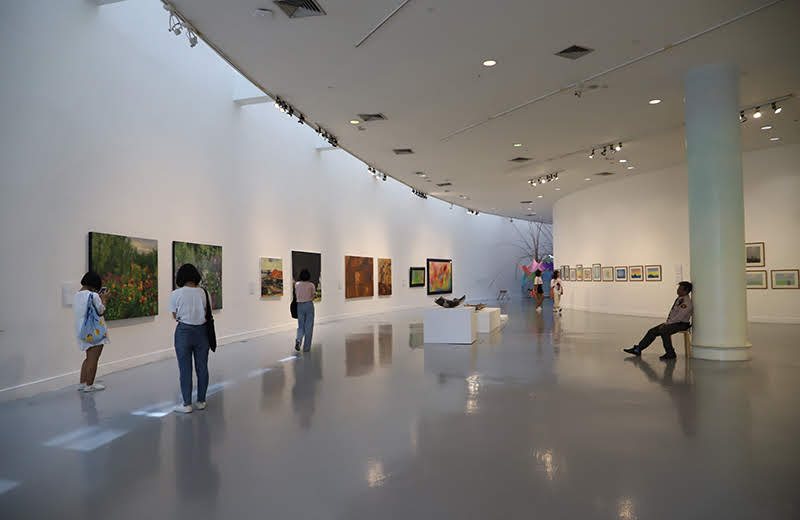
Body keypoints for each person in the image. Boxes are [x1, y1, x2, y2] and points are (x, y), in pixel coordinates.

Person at [168, 264, 211, 413]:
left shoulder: (176, 294)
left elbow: (174, 315)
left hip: (184, 332)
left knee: (185, 369)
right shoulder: (204, 293)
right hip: (202, 332)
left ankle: (187, 404)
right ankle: (201, 401)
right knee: (202, 367)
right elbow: (205, 312)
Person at [624, 281, 694, 360]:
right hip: (674, 323)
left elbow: (679, 317)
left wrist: (667, 324)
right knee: (652, 331)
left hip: (681, 324)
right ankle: (638, 349)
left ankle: (670, 353)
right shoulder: (680, 299)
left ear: (686, 291)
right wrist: (667, 323)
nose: (677, 290)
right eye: (678, 288)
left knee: (664, 330)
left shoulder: (686, 302)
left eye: (680, 289)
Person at [74, 271, 110, 392]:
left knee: (87, 358)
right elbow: (101, 311)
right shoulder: (93, 296)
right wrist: (103, 299)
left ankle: (82, 383)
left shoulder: (76, 295)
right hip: (95, 332)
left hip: (82, 332)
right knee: (94, 358)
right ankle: (90, 385)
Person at [294, 269, 316, 352]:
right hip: (308, 305)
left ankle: (299, 339)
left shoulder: (297, 284)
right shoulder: (311, 285)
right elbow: (313, 296)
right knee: (309, 326)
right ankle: (306, 348)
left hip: (299, 305)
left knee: (301, 325)